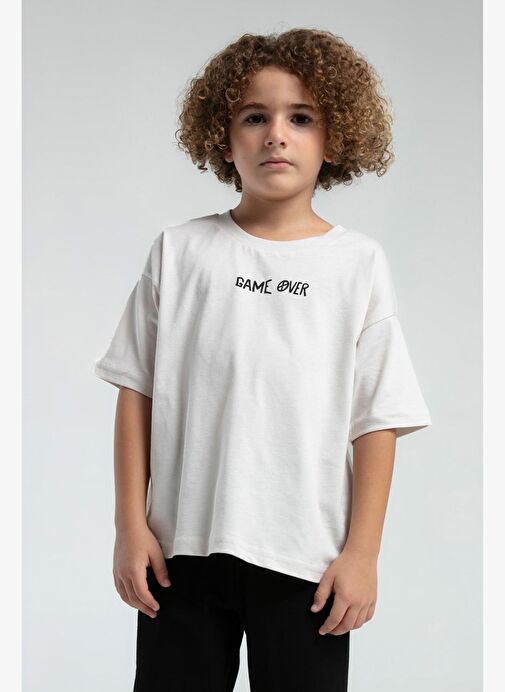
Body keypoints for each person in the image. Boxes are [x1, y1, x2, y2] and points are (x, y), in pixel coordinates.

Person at [93, 28, 432, 691]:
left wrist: (362, 554)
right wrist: (129, 526)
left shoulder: (357, 265)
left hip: (307, 563)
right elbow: (136, 391)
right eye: (255, 117)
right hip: (180, 556)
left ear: (332, 139)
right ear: (224, 138)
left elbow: (377, 418)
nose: (276, 135)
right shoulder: (180, 252)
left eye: (301, 118)